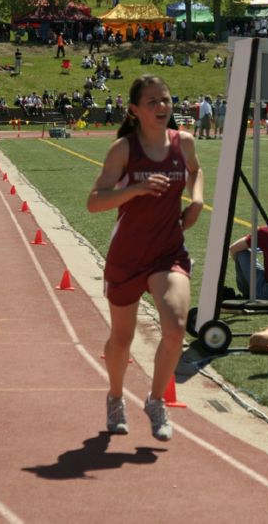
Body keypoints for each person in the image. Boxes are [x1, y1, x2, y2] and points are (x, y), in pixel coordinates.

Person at [86, 75, 204, 441]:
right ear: (135, 110)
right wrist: (136, 188)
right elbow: (94, 202)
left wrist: (196, 198)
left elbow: (196, 171)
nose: (162, 107)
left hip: (168, 252)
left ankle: (155, 400)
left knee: (176, 326)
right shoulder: (123, 150)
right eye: (152, 102)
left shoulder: (182, 142)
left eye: (166, 100)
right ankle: (116, 396)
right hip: (127, 256)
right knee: (121, 338)